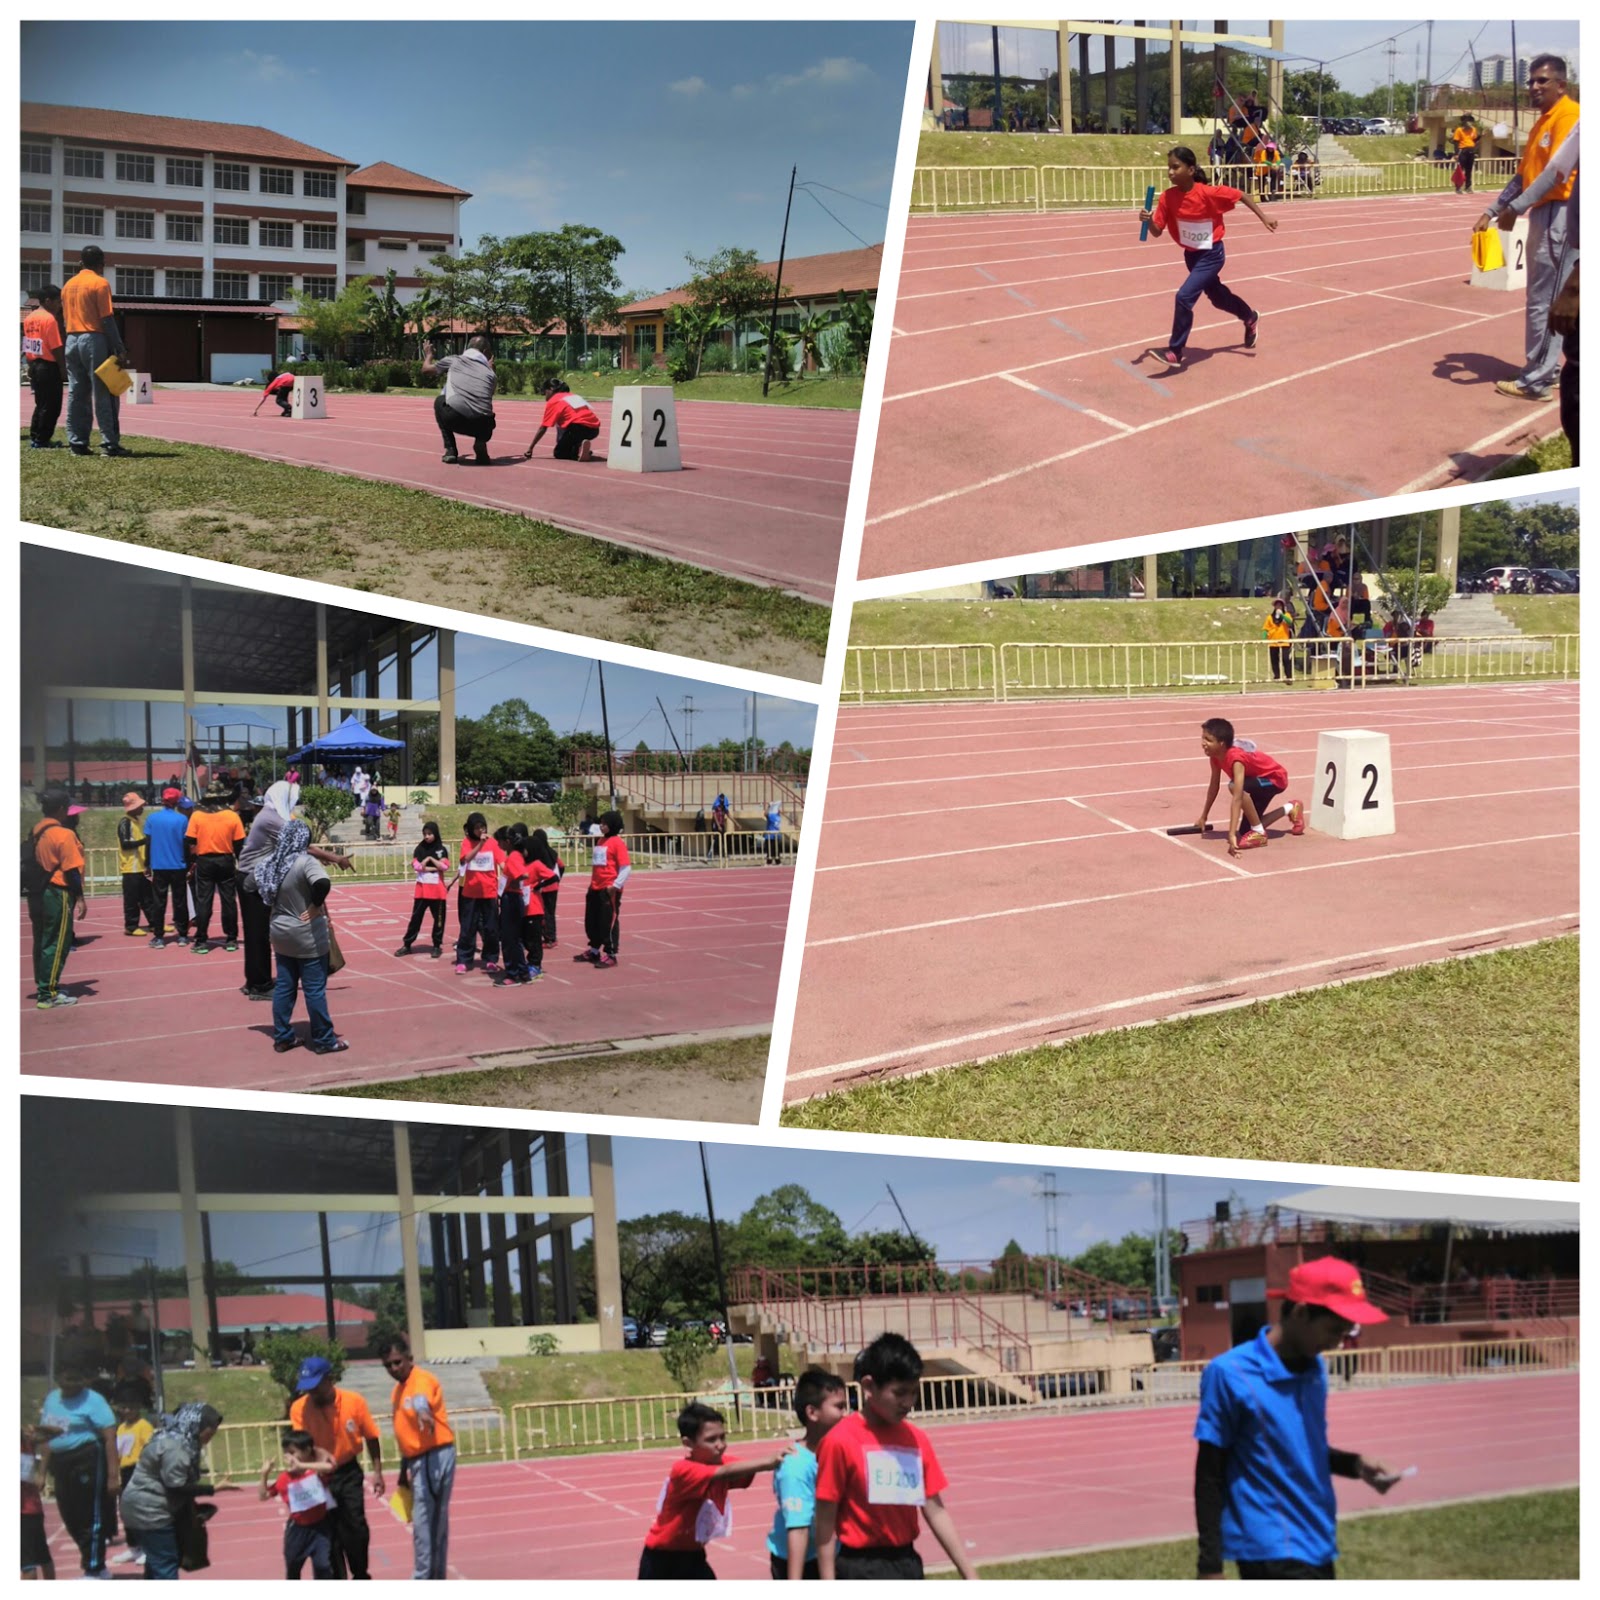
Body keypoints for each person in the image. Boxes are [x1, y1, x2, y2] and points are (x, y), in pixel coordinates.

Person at [1195, 1258, 1399, 1580]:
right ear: (1301, 1313)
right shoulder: (1230, 1374)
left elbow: (1299, 1447)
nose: (1337, 1342)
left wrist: (1356, 1464)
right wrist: (1210, 1566)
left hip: (1316, 1535)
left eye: (1346, 1333)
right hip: (1270, 1546)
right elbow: (1210, 1473)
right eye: (1334, 1330)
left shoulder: (1315, 1368)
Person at [814, 1332, 976, 1580]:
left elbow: (935, 1510)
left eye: (913, 1392)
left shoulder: (916, 1439)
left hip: (907, 1564)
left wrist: (970, 1576)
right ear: (869, 1386)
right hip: (860, 1568)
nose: (908, 1402)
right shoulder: (839, 1442)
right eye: (899, 1393)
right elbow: (825, 1523)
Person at [1473, 55, 1579, 403]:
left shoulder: (1570, 117)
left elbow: (1554, 175)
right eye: (1531, 81)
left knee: (1545, 300)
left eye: (1542, 81)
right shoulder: (1542, 123)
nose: (1533, 87)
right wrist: (1492, 210)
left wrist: (1516, 208)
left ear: (1561, 85)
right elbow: (1524, 175)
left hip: (1560, 213)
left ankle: (1536, 381)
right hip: (1543, 213)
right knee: (1548, 298)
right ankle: (1549, 369)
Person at [1139, 145, 1278, 369]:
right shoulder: (1167, 197)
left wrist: (1264, 218)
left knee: (1184, 297)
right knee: (1218, 298)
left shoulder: (1207, 193)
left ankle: (1175, 351)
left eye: (1176, 167)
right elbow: (1156, 231)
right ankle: (1249, 316)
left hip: (1212, 254)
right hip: (1192, 256)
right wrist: (1147, 221)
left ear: (1191, 169)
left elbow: (1241, 194)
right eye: (1169, 168)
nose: (1171, 172)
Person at [638, 1402, 792, 1580]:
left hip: (694, 1554)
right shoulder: (683, 1470)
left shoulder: (721, 1462)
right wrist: (769, 1461)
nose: (720, 1445)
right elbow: (725, 1473)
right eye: (711, 1440)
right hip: (662, 1559)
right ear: (688, 1444)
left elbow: (740, 1469)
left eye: (723, 1437)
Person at [238, 781, 353, 1000]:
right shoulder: (271, 818)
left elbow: (294, 847)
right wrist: (335, 858)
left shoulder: (270, 815)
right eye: (292, 799)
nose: (294, 803)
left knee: (258, 932)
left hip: (257, 876)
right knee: (258, 933)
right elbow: (300, 842)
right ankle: (258, 985)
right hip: (251, 878)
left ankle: (255, 980)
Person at [287, 1357, 385, 1580]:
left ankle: (360, 1574)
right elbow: (302, 1445)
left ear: (329, 1379)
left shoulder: (354, 1401)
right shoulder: (299, 1409)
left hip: (347, 1472)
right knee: (326, 1535)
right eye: (307, 1388)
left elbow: (371, 1437)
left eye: (315, 1387)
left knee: (355, 1527)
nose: (311, 1393)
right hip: (318, 1477)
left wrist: (377, 1472)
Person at [260, 818, 349, 1056]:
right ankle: (324, 1039)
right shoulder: (304, 862)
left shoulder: (273, 862)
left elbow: (251, 884)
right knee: (314, 989)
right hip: (305, 933)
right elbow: (322, 883)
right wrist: (314, 906)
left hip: (280, 932)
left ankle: (283, 1037)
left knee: (284, 987)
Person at [119, 1404, 232, 1582]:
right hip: (149, 1510)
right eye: (210, 1429)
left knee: (155, 1561)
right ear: (197, 1425)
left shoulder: (173, 1438)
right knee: (166, 1563)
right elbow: (176, 1486)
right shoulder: (176, 1447)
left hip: (140, 1506)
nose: (212, 1434)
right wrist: (213, 1489)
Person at [380, 1335, 456, 1582]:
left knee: (428, 1522)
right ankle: (433, 1577)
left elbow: (421, 1401)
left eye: (397, 1362)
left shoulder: (421, 1380)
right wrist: (404, 1471)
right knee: (427, 1522)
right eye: (388, 1365)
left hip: (435, 1455)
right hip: (416, 1459)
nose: (394, 1368)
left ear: (410, 1359)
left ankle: (425, 1578)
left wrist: (424, 1414)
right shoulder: (397, 1391)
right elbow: (405, 1431)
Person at [37, 1358, 118, 1576]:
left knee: (89, 1515)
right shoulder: (52, 1399)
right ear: (58, 1379)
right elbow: (45, 1436)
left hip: (87, 1459)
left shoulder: (94, 1400)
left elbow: (110, 1437)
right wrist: (41, 1472)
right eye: (66, 1379)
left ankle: (94, 1567)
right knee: (69, 1516)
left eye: (75, 1380)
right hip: (60, 1463)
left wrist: (113, 1476)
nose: (70, 1384)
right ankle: (96, 1565)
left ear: (83, 1380)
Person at [769, 1369, 849, 1580]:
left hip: (831, 1551)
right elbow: (798, 1529)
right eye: (839, 1407)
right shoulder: (795, 1465)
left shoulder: (839, 1452)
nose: (845, 1414)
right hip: (800, 1561)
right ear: (812, 1413)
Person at [61, 244, 131, 458]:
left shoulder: (68, 285)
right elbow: (107, 319)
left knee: (77, 392)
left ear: (80, 263)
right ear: (102, 264)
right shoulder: (100, 283)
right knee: (105, 392)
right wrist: (119, 347)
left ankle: (77, 442)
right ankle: (109, 444)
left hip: (71, 338)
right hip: (94, 338)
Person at [1197, 717, 1304, 855]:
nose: (1203, 743)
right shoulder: (1215, 756)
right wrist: (1204, 816)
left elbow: (1237, 797)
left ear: (1222, 743)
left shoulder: (1236, 759)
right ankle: (1291, 808)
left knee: (1233, 786)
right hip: (1256, 781)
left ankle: (1259, 833)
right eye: (1203, 738)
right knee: (1246, 831)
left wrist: (1231, 835)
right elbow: (1213, 786)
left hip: (1274, 779)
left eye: (1208, 740)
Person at [28, 788, 88, 1008]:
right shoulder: (64, 834)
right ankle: (48, 993)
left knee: (42, 940)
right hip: (57, 891)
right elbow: (71, 870)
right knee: (57, 942)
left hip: (38, 891)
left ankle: (44, 984)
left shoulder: (37, 829)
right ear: (63, 809)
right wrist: (80, 898)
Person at [259, 1430, 339, 1580]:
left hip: (320, 1528)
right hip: (297, 1531)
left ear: (307, 1451)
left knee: (323, 1567)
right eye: (286, 1453)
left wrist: (302, 1464)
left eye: (292, 1452)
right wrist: (264, 1475)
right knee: (293, 1568)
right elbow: (263, 1496)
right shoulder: (284, 1478)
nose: (289, 1457)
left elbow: (330, 1467)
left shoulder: (316, 1473)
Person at [186, 781, 245, 956]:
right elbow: (239, 844)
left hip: (204, 860)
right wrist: (241, 864)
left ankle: (201, 939)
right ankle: (231, 938)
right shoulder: (232, 816)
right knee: (228, 900)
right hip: (225, 860)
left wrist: (192, 860)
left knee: (204, 900)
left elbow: (190, 841)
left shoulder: (197, 816)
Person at [422, 336, 497, 465]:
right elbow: (488, 394)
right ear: (485, 352)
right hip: (485, 427)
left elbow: (426, 370)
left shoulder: (454, 360)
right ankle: (481, 442)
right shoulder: (491, 374)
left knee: (439, 401)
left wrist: (429, 355)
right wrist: (490, 369)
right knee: (483, 409)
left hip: (456, 419)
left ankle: (450, 450)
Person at [575, 810, 630, 969]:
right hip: (595, 887)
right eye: (601, 822)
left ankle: (611, 954)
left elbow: (626, 868)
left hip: (608, 889)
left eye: (605, 824)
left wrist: (615, 886)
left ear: (612, 825)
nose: (601, 825)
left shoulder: (617, 843)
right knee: (592, 920)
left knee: (608, 921)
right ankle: (594, 950)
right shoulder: (600, 841)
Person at [109, 1386, 155, 1568]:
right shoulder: (121, 1428)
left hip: (139, 1470)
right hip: (124, 1471)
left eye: (130, 1407)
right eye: (123, 1408)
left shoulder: (143, 1426)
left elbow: (150, 1447)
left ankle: (147, 1548)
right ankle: (133, 1546)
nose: (127, 1411)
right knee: (126, 1511)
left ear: (138, 1408)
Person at [452, 812, 504, 974]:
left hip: (489, 892)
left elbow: (502, 862)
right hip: (471, 892)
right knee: (468, 927)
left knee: (491, 928)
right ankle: (463, 959)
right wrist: (480, 845)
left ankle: (490, 958)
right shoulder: (466, 843)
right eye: (476, 828)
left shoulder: (493, 843)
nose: (480, 830)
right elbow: (466, 859)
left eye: (482, 827)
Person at [145, 787, 193, 949]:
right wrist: (188, 864)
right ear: (177, 802)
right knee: (180, 901)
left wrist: (147, 863)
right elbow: (186, 844)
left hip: (159, 865)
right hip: (178, 865)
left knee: (159, 901)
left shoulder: (152, 819)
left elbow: (148, 842)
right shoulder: (182, 820)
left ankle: (158, 937)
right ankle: (183, 935)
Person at [396, 820, 451, 959]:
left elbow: (444, 867)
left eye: (429, 834)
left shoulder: (441, 849)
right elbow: (417, 867)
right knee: (415, 919)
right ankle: (407, 944)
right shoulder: (419, 849)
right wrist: (428, 864)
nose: (427, 837)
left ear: (435, 834)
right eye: (425, 834)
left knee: (439, 920)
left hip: (437, 892)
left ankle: (437, 946)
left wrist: (430, 860)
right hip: (422, 891)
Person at [23, 283, 67, 449]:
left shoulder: (29, 318)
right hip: (49, 366)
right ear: (47, 301)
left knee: (40, 403)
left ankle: (36, 436)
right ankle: (42, 440)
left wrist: (30, 365)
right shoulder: (49, 320)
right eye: (57, 302)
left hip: (35, 364)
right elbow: (56, 346)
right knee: (52, 406)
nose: (59, 305)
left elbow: (28, 344)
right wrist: (62, 368)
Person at [522, 377, 602, 462]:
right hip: (594, 430)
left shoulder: (554, 400)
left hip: (577, 428)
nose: (545, 396)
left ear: (551, 389)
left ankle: (578, 451)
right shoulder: (573, 396)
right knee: (565, 428)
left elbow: (543, 428)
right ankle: (579, 446)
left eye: (545, 392)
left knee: (559, 453)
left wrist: (530, 448)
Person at [112, 790, 157, 938]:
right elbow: (125, 844)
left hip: (140, 866)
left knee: (148, 897)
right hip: (130, 868)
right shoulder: (125, 822)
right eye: (139, 805)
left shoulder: (136, 822)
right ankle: (131, 926)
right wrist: (144, 841)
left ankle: (154, 923)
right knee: (132, 899)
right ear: (132, 808)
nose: (142, 808)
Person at [495, 825, 533, 986]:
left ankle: (513, 973)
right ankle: (523, 972)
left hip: (512, 898)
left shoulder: (514, 857)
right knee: (514, 939)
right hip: (510, 897)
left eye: (500, 842)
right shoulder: (514, 855)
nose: (498, 845)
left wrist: (514, 882)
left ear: (508, 841)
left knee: (510, 939)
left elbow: (524, 874)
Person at [21, 1426, 54, 1580]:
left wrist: (41, 1473)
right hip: (32, 1509)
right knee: (43, 1558)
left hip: (26, 1511)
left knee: (28, 1565)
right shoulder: (27, 1440)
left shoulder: (25, 1439)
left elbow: (49, 1440)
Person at [526, 828, 564, 947]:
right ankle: (550, 937)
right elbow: (562, 866)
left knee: (545, 913)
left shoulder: (538, 854)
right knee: (550, 913)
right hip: (553, 886)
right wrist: (558, 879)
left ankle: (550, 938)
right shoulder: (552, 852)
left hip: (544, 887)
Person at [1263, 599, 1294, 683]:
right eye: (1277, 605)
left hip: (1284, 640)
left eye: (1280, 605)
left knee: (1286, 659)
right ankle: (1277, 676)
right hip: (1273, 641)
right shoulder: (1270, 617)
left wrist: (1282, 616)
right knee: (1274, 660)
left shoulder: (1287, 615)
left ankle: (1289, 677)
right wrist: (1263, 638)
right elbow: (1265, 629)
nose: (1278, 607)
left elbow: (1290, 622)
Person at [1450, 114, 1479, 194]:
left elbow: (1474, 140)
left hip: (1471, 151)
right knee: (1460, 169)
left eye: (1471, 121)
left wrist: (1480, 136)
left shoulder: (1473, 129)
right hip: (1463, 150)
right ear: (1464, 122)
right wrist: (1456, 153)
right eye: (1468, 121)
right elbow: (1456, 142)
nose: (1470, 123)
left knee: (1469, 170)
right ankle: (1458, 187)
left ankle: (1468, 187)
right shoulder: (1459, 130)